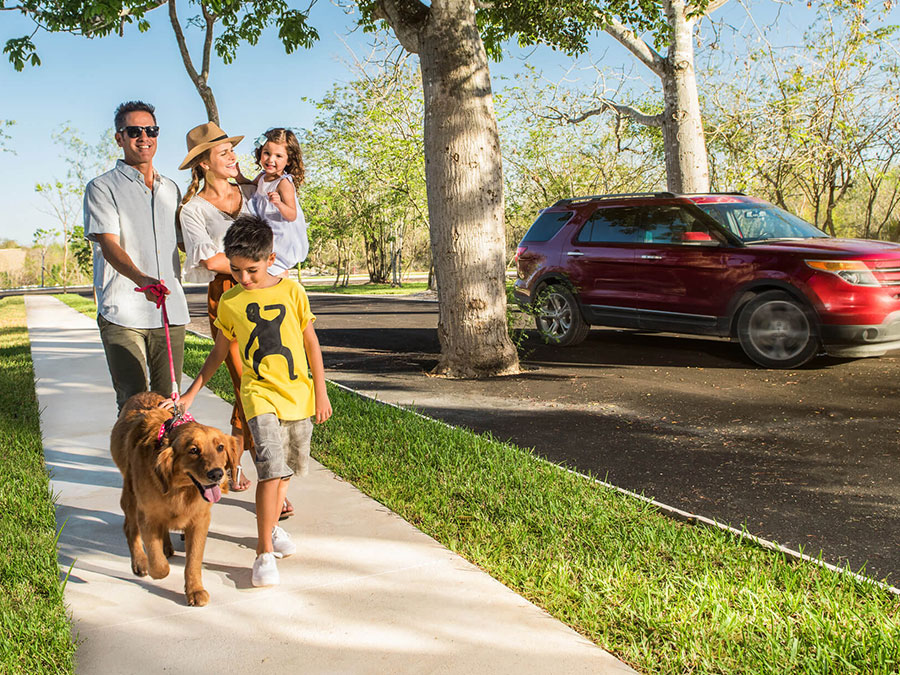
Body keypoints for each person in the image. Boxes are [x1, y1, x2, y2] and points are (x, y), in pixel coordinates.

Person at [178, 215, 332, 587]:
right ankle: (264, 553)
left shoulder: (293, 292)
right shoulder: (230, 301)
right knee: (270, 470)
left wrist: (321, 391)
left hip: (298, 395)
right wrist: (191, 392)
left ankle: (272, 527)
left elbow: (311, 342)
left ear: (270, 257)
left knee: (287, 472)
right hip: (258, 394)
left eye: (251, 270)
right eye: (236, 270)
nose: (244, 279)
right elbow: (218, 352)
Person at [84, 100, 190, 413]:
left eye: (151, 130)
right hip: (123, 310)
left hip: (168, 310)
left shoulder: (171, 188)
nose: (144, 137)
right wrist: (141, 279)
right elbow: (109, 244)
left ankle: (162, 464)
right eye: (134, 131)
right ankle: (133, 464)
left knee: (168, 405)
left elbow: (186, 243)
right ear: (119, 137)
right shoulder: (102, 188)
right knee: (134, 404)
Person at [178, 121, 256, 493]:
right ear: (204, 163)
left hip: (267, 291)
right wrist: (261, 265)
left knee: (262, 381)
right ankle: (268, 472)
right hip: (226, 293)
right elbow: (209, 260)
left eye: (231, 150)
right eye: (223, 152)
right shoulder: (192, 210)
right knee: (245, 382)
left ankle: (234, 466)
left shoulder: (252, 194)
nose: (232, 157)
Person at [242, 127, 309, 277]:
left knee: (274, 266)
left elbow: (292, 215)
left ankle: (282, 286)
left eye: (278, 156)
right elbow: (250, 188)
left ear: (288, 160)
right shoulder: (262, 176)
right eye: (266, 153)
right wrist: (238, 176)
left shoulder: (283, 183)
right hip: (267, 230)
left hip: (281, 232)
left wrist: (279, 204)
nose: (270, 160)